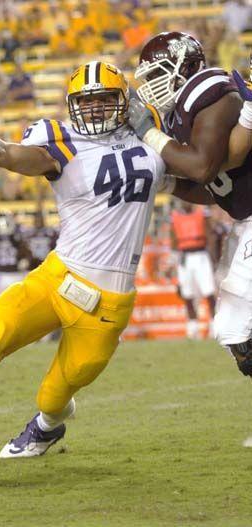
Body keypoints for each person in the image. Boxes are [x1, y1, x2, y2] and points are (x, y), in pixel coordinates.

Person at [0, 61, 211, 469]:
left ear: (125, 102)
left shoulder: (148, 129)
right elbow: (9, 154)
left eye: (104, 99)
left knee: (55, 397)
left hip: (108, 300)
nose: (96, 109)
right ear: (72, 105)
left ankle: (46, 427)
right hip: (58, 275)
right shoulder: (62, 141)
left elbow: (192, 173)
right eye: (87, 101)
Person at [130, 32, 252, 383]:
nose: (151, 85)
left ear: (186, 65)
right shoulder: (177, 115)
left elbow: (201, 167)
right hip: (244, 217)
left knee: (236, 331)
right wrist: (168, 182)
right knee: (236, 337)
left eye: (157, 74)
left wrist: (149, 135)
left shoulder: (208, 89)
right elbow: (213, 188)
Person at [170, 203, 217, 339]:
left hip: (201, 255)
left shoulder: (202, 213)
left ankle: (214, 326)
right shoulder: (175, 217)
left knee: (209, 292)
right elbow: (173, 242)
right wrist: (173, 263)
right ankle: (193, 329)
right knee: (187, 295)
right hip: (184, 257)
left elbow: (211, 236)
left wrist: (213, 259)